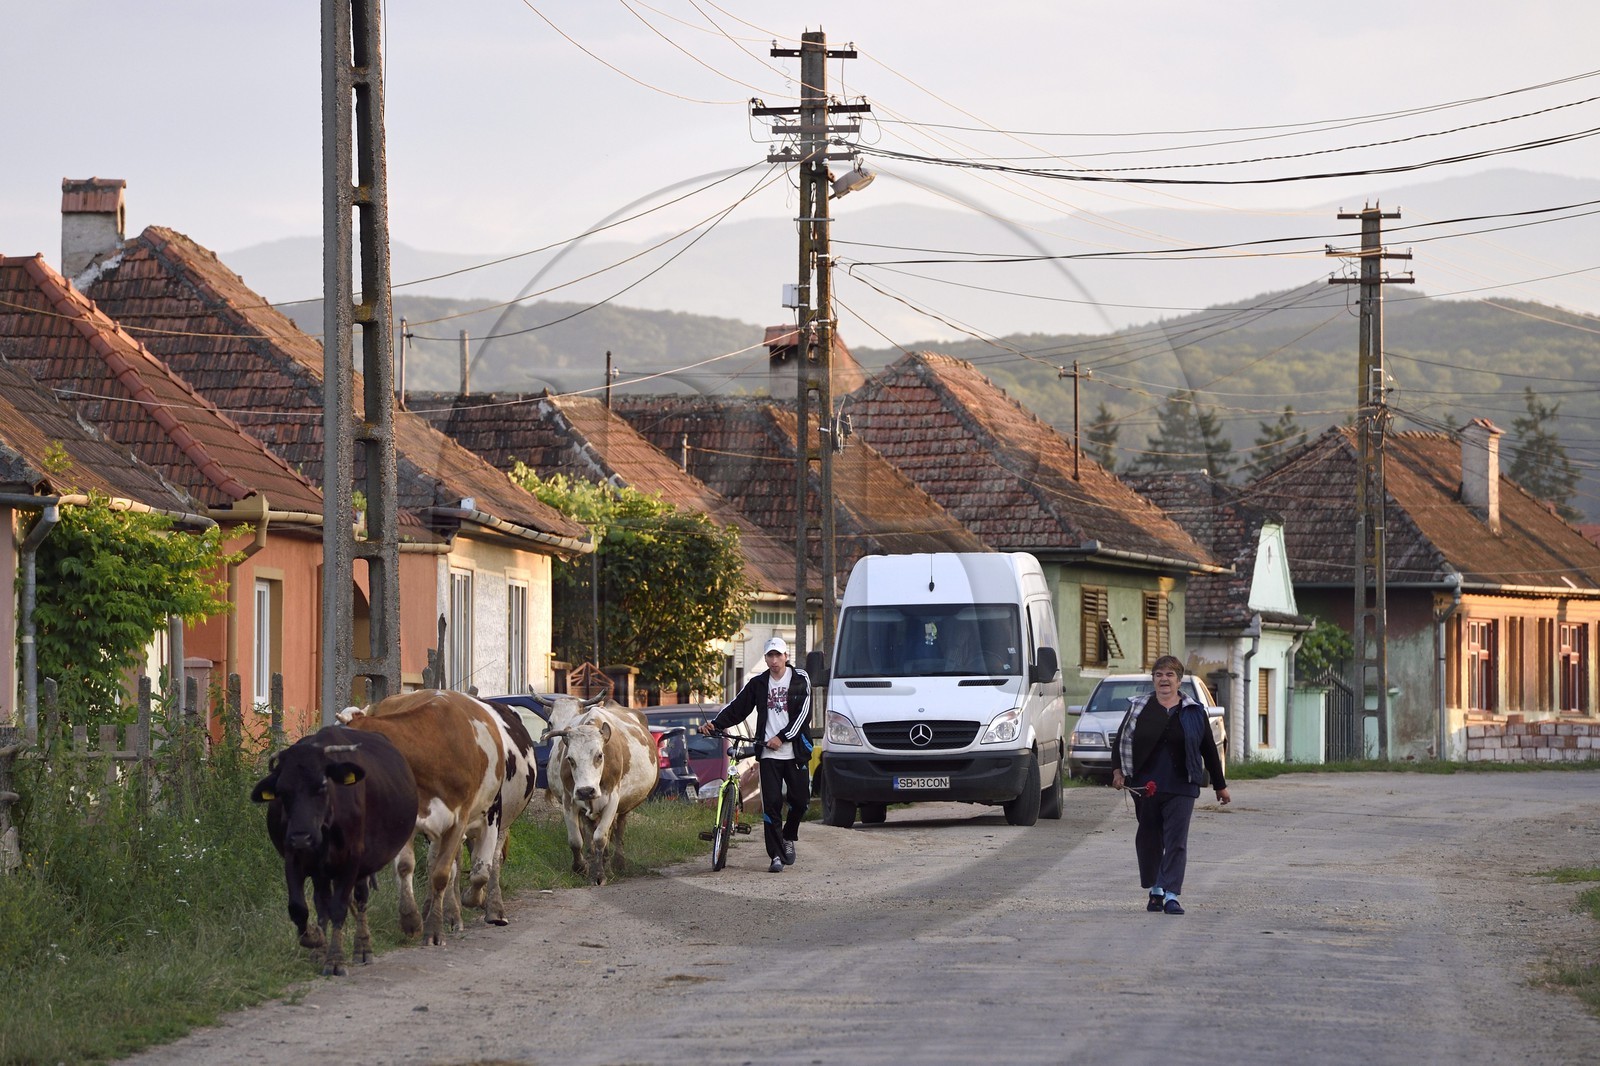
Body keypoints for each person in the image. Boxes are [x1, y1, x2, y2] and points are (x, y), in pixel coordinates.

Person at [1110, 654, 1231, 915]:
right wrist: (1118, 772)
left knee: (1176, 840)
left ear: (1179, 680)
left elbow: (1208, 749)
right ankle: (1155, 889)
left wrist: (1220, 785)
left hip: (1182, 784)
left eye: (1169, 675)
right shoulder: (1138, 708)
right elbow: (1120, 742)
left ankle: (1172, 895)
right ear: (1153, 679)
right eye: (1159, 675)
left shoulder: (1194, 710)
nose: (1164, 679)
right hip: (1144, 785)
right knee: (1149, 838)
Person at [700, 636, 813, 873]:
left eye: (778, 655)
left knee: (800, 801)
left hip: (795, 752)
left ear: (786, 656)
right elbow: (738, 708)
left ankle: (788, 836)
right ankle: (776, 857)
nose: (774, 661)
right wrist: (715, 724)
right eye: (770, 656)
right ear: (766, 658)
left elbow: (803, 715)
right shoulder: (758, 683)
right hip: (769, 755)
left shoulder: (800, 679)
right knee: (770, 805)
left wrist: (781, 737)